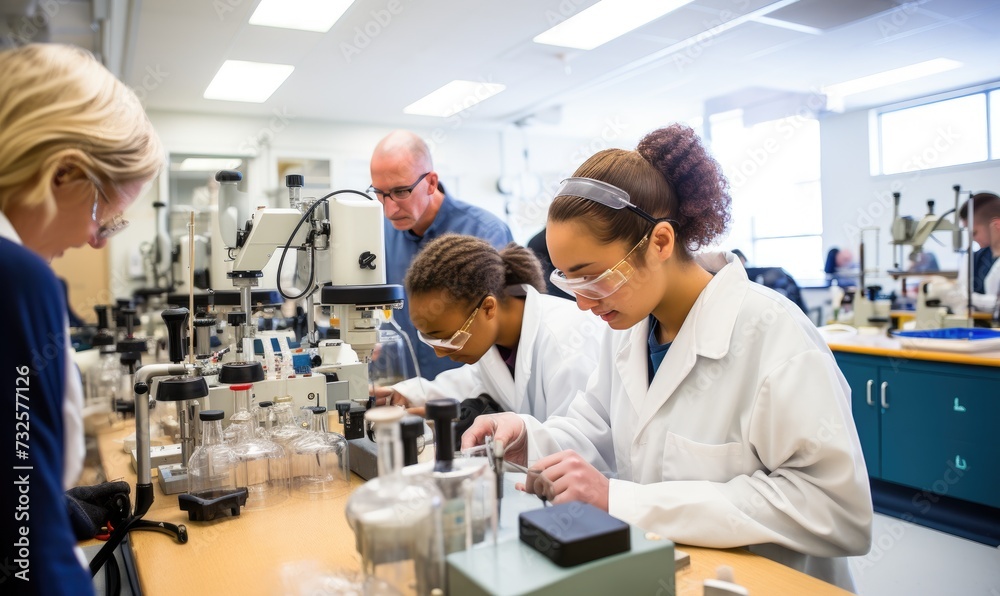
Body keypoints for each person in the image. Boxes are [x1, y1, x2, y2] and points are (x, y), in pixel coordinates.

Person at [461, 124, 872, 590]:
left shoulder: (774, 334)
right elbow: (594, 429)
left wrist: (623, 501)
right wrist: (529, 439)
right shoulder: (628, 327)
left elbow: (836, 508)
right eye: (568, 282)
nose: (582, 304)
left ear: (659, 242)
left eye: (593, 277)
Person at [0, 44, 163, 595]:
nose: (91, 239)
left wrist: (50, 501)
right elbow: (32, 557)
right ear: (63, 170)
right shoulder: (15, 277)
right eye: (102, 215)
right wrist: (39, 515)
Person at [374, 233, 601, 420]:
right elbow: (473, 380)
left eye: (448, 339)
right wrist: (405, 394)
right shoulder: (494, 338)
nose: (440, 352)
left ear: (488, 308)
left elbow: (578, 443)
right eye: (429, 339)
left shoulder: (567, 342)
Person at [369, 131, 513, 381]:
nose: (389, 209)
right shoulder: (381, 234)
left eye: (401, 191)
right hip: (407, 387)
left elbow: (503, 329)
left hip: (477, 391)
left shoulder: (485, 232)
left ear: (432, 183)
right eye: (380, 193)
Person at [954, 192, 1000, 313]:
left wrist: (967, 299)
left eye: (974, 233)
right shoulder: (974, 258)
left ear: (996, 225)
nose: (972, 239)